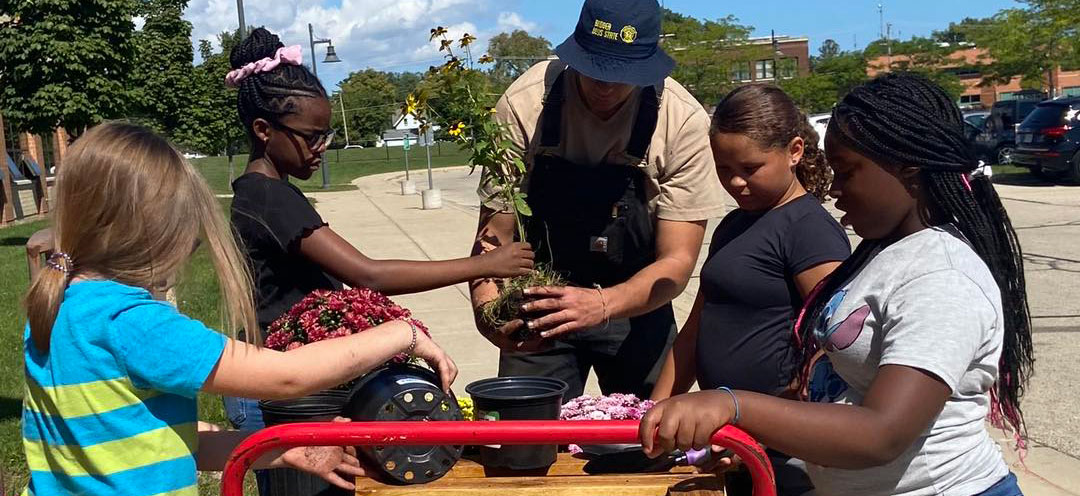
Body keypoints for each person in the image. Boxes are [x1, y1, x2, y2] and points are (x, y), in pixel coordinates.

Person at [639, 73, 1032, 496]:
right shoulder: (883, 254)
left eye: (846, 172)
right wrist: (759, 432)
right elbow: (823, 379)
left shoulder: (943, 277)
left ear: (908, 168)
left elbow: (881, 433)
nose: (834, 189)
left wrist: (733, 406)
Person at [21, 122, 458, 496]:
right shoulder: (132, 324)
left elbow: (171, 442)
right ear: (156, 234)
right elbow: (286, 375)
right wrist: (402, 333)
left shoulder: (58, 308)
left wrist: (285, 448)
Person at [224, 27, 533, 462]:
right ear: (263, 129)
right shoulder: (268, 196)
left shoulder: (268, 191)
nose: (322, 149)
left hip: (286, 380)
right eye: (311, 136)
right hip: (280, 392)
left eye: (326, 136)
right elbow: (368, 274)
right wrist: (483, 264)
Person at [469, 0, 726, 400]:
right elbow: (493, 235)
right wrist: (489, 314)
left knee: (646, 446)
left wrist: (604, 303)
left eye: (622, 74)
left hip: (637, 304)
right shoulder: (526, 103)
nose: (605, 86)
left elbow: (676, 262)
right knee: (524, 446)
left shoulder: (681, 121)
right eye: (593, 69)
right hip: (540, 301)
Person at [649, 84, 850, 496]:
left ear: (794, 151)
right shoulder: (735, 224)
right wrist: (656, 412)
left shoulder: (809, 231)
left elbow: (832, 354)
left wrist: (764, 436)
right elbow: (695, 328)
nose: (735, 182)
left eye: (751, 168)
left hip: (783, 454)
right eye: (724, 169)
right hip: (730, 439)